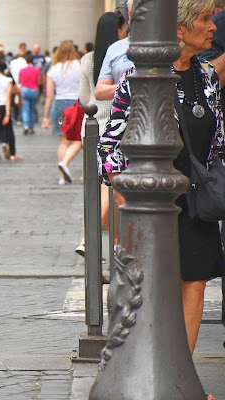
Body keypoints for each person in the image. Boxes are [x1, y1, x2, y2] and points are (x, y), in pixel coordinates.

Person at [97, 0, 225, 357]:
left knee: (195, 284)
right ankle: (149, 371)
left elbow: (215, 144)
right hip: (152, 202)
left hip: (196, 199)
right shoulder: (141, 76)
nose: (213, 27)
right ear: (180, 29)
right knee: (155, 290)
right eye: (205, 19)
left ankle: (182, 377)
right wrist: (129, 204)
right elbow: (109, 147)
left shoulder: (207, 77)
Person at [74, 11, 127, 258]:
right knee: (114, 186)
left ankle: (115, 240)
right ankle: (91, 238)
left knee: (99, 186)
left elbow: (85, 98)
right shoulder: (122, 55)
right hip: (115, 129)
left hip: (91, 128)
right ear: (118, 31)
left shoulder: (88, 59)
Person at [41, 40, 81, 185]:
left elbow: (49, 96)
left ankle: (62, 177)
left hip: (59, 105)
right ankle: (65, 163)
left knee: (63, 141)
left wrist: (45, 117)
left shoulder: (53, 69)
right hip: (76, 104)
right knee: (78, 140)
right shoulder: (79, 65)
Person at [94, 0, 134, 101]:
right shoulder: (115, 49)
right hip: (119, 112)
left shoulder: (168, 46)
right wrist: (127, 86)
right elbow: (99, 91)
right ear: (129, 16)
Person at [0, 62, 23, 162]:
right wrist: (7, 114)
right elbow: (8, 97)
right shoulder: (8, 80)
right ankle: (12, 153)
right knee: (8, 130)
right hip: (3, 106)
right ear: (6, 70)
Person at [19, 53, 42, 135]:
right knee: (32, 109)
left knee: (25, 109)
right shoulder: (37, 70)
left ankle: (25, 126)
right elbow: (39, 82)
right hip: (34, 90)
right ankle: (31, 127)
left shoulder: (22, 70)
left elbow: (19, 81)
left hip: (24, 89)